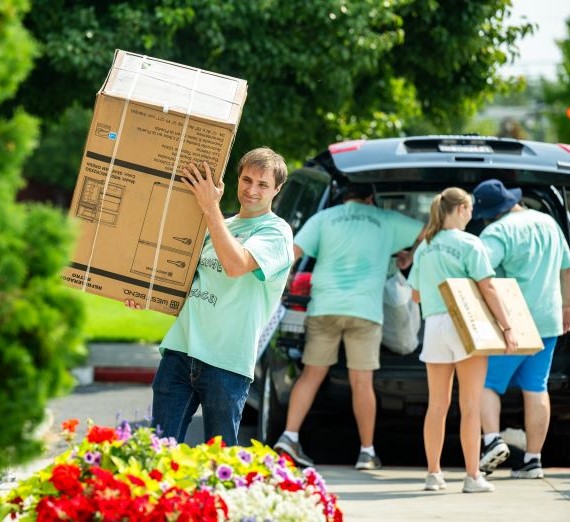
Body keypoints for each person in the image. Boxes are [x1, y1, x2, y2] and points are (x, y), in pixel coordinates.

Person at [126, 147, 294, 446]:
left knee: (220, 463)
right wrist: (143, 292)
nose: (252, 190)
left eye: (263, 184)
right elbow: (184, 282)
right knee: (157, 453)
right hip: (180, 351)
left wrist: (209, 208)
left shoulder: (277, 232)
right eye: (246, 180)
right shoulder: (219, 225)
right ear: (237, 179)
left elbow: (235, 265)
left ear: (277, 190)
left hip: (226, 361)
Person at [273, 183, 425, 470]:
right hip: (364, 310)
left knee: (311, 375)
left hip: (324, 306)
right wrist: (410, 255)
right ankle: (367, 452)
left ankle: (289, 436)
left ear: (344, 197)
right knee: (361, 382)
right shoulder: (386, 220)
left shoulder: (324, 218)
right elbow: (430, 231)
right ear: (371, 198)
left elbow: (291, 253)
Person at [407, 187, 517, 494]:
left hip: (434, 326)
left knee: (437, 405)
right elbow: (488, 288)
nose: (472, 215)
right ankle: (472, 476)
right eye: (469, 209)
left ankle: (433, 474)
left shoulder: (426, 247)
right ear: (461, 208)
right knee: (469, 405)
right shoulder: (471, 243)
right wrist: (508, 327)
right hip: (466, 325)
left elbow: (415, 294)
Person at [473, 179, 570, 479]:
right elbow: (566, 267)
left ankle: (492, 442)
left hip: (513, 321)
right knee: (536, 387)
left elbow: (480, 271)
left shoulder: (497, 231)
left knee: (485, 383)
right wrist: (567, 307)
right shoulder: (549, 223)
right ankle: (532, 460)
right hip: (549, 320)